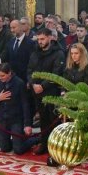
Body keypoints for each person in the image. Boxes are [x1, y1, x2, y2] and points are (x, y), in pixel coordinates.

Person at [27, 27, 65, 162]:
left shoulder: (58, 53)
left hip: (51, 92)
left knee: (52, 121)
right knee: (43, 120)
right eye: (39, 39)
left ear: (50, 38)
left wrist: (43, 86)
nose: (40, 42)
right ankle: (44, 143)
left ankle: (54, 147)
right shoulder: (35, 53)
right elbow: (30, 69)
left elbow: (56, 73)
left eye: (42, 39)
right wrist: (32, 84)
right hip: (37, 92)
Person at [0, 62, 33, 154]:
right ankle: (15, 142)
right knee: (4, 148)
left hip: (16, 119)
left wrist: (27, 124)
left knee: (18, 150)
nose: (0, 78)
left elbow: (25, 104)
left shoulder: (19, 83)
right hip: (2, 119)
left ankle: (33, 140)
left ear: (9, 73)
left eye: (2, 76)